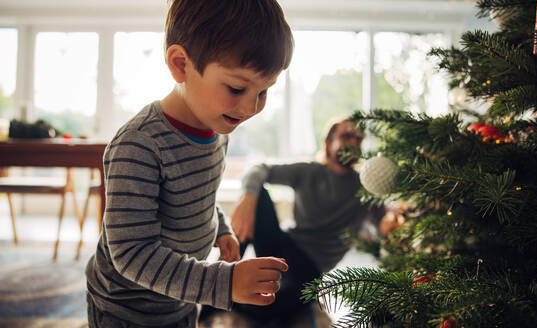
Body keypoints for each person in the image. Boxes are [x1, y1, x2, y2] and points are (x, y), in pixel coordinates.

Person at [85, 1, 294, 327]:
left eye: (264, 91)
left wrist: (219, 228)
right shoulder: (138, 145)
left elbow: (200, 197)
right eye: (237, 88)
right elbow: (131, 253)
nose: (252, 107)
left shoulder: (217, 131)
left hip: (182, 299)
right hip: (126, 310)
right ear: (181, 64)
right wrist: (223, 283)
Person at [228, 118, 385, 324]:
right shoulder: (310, 171)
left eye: (358, 138)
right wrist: (248, 200)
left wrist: (392, 224)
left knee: (272, 307)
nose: (353, 142)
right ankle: (226, 272)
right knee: (259, 196)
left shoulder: (365, 186)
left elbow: (383, 227)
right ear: (328, 144)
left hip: (311, 266)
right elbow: (258, 169)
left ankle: (223, 300)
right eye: (346, 136)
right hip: (284, 245)